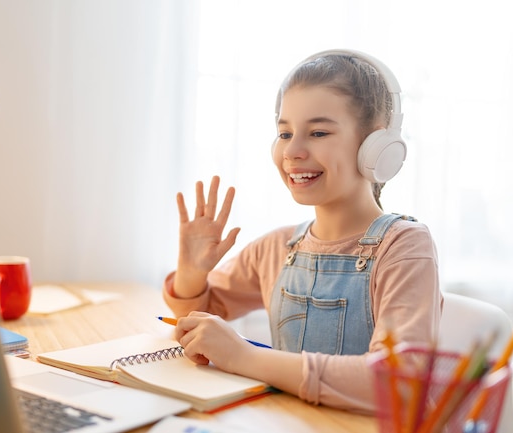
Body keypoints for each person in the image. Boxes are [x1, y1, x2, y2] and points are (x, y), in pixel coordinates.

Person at [162, 49, 441, 413]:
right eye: (284, 132)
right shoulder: (277, 247)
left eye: (318, 132)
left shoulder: (403, 247)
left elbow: (397, 383)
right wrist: (191, 273)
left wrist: (243, 356)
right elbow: (199, 312)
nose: (292, 150)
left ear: (376, 147)